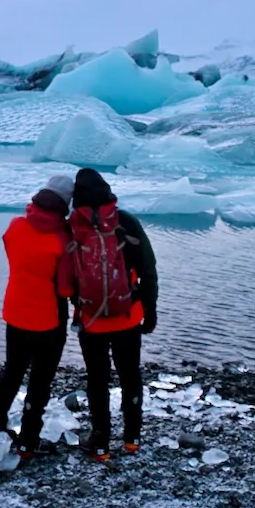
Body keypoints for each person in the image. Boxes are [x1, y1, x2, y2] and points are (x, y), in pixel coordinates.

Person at [0, 175, 75, 461]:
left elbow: (11, 249)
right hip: (49, 319)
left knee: (12, 372)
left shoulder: (16, 226)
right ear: (65, 205)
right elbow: (65, 288)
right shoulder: (64, 238)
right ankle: (28, 442)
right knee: (40, 382)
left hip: (17, 312)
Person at [69, 168, 158, 462]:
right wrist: (150, 309)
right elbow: (147, 268)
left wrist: (77, 305)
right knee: (130, 375)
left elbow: (66, 277)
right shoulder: (126, 222)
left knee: (98, 380)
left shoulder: (73, 226)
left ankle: (100, 445)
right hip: (128, 316)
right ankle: (132, 439)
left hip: (91, 321)